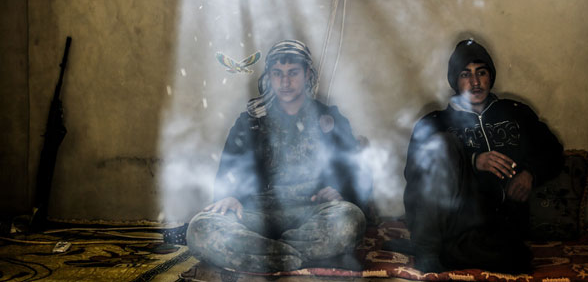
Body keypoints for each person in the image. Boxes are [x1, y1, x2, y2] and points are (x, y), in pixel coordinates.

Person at [187, 39, 371, 273]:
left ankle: (265, 256)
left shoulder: (330, 119)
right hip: (254, 212)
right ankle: (292, 257)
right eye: (277, 73)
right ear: (269, 77)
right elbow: (228, 171)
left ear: (307, 74)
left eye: (293, 73)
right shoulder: (250, 122)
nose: (285, 82)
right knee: (200, 228)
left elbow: (355, 172)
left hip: (310, 213)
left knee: (351, 219)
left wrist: (340, 191)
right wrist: (230, 195)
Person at [403, 39, 564, 273]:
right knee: (442, 144)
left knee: (517, 259)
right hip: (451, 219)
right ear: (455, 82)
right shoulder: (435, 122)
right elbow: (414, 172)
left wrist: (531, 174)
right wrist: (472, 161)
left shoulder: (516, 113)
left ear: (491, 76)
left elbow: (552, 151)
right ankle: (427, 251)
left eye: (481, 72)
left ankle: (449, 252)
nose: (475, 82)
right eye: (465, 75)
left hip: (500, 223)